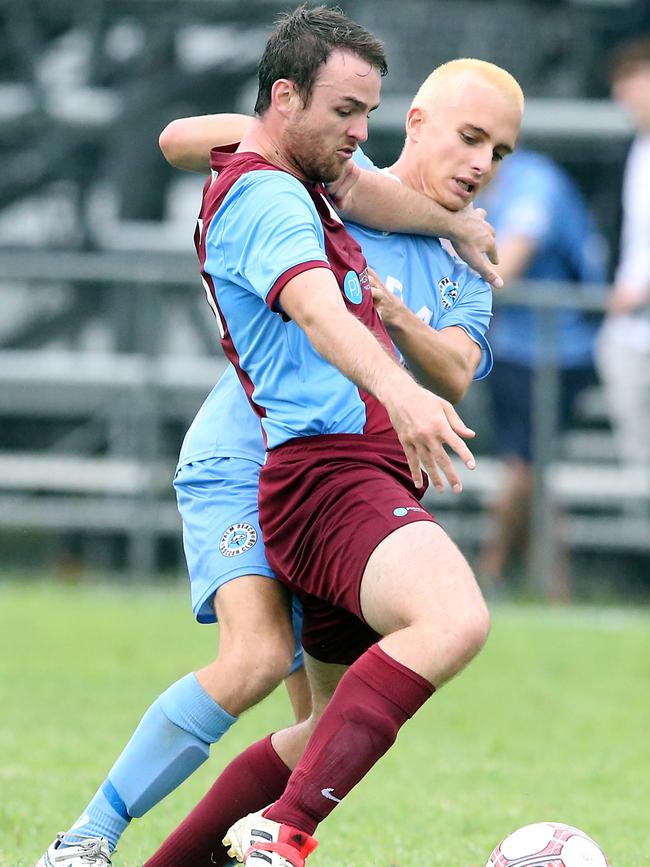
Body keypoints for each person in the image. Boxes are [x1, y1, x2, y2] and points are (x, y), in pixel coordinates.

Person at [34, 9, 512, 867]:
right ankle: (88, 836)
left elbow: (459, 372)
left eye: (501, 152)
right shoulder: (321, 173)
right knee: (255, 655)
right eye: (471, 137)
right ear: (416, 122)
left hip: (340, 471)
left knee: (323, 730)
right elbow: (189, 138)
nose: (481, 164)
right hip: (250, 455)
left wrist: (407, 308)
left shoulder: (460, 262)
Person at [475, 149, 607, 596]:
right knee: (530, 468)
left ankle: (490, 571)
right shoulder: (469, 179)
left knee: (527, 467)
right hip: (511, 349)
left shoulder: (536, 182)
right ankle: (554, 589)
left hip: (560, 350)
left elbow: (502, 270)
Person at [596, 38, 650, 470]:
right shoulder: (635, 149)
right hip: (630, 333)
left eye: (631, 83)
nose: (621, 96)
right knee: (638, 464)